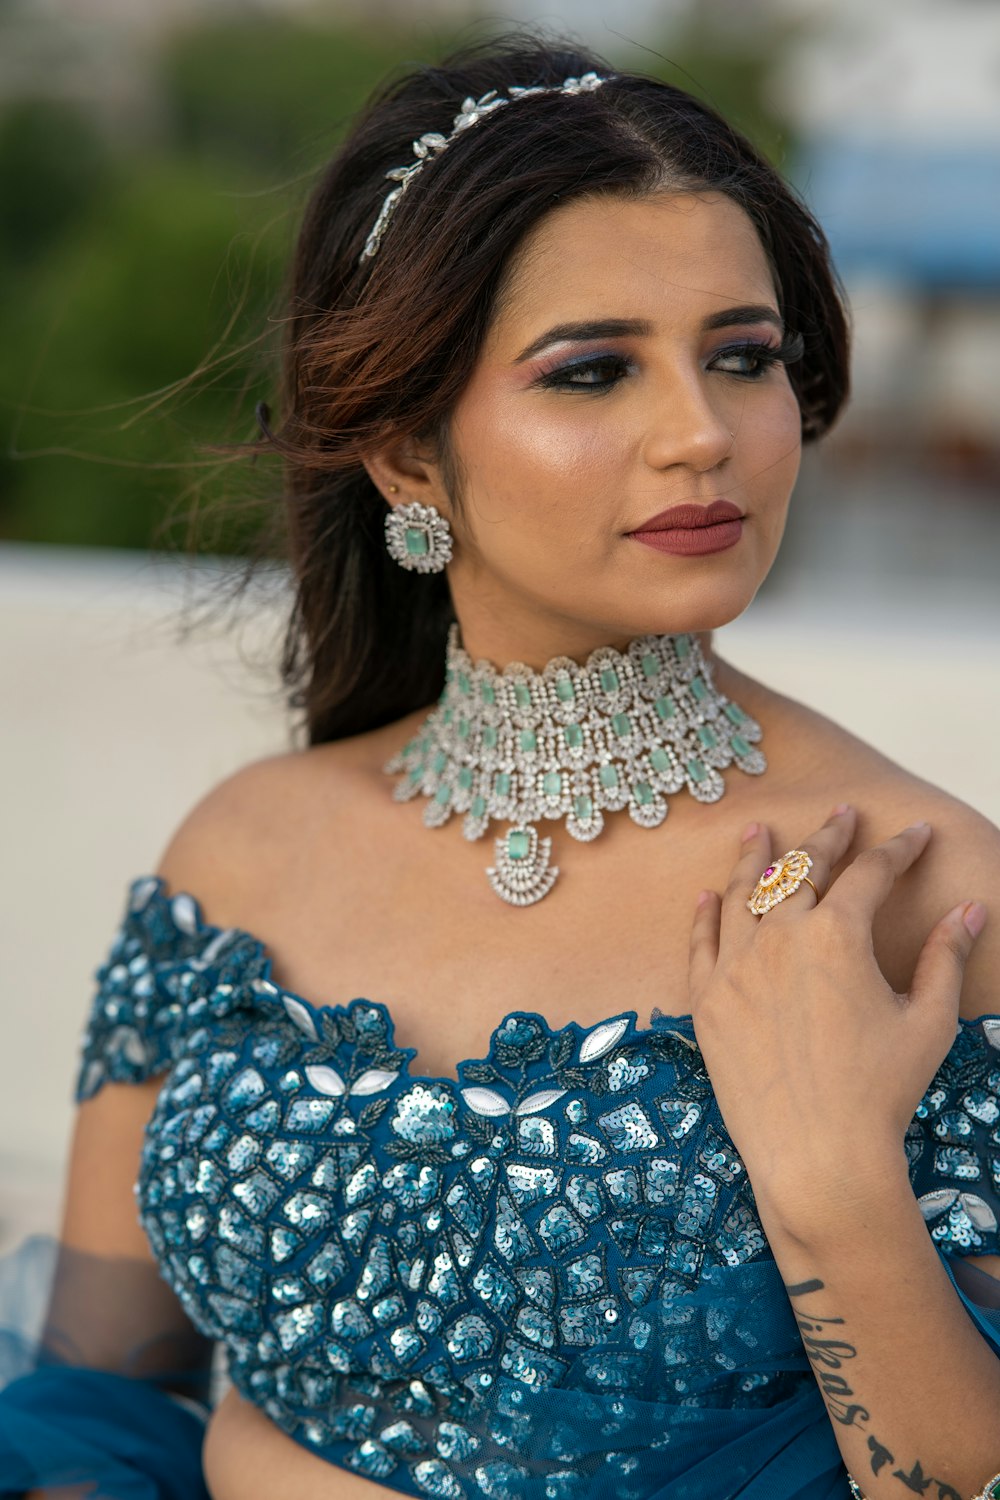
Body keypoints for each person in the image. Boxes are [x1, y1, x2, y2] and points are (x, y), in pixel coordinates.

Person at [2, 31, 1000, 1500]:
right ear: (407, 456)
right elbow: (97, 1403)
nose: (702, 435)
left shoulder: (913, 886)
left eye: (744, 357)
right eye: (594, 371)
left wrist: (834, 1179)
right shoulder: (246, 852)